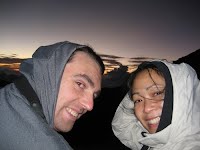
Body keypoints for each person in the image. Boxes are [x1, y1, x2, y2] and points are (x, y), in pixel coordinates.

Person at [0, 41, 105, 150]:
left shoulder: (7, 96)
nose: (89, 106)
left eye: (94, 96)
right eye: (80, 84)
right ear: (49, 72)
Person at [112, 60, 200, 150]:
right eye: (138, 100)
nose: (146, 108)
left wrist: (138, 92)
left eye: (157, 93)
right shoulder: (150, 141)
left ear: (183, 95)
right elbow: (121, 126)